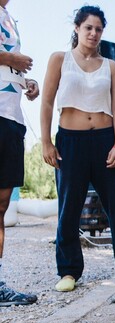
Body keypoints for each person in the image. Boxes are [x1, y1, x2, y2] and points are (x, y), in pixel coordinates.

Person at [41, 5, 115, 292]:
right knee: (69, 208)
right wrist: (45, 142)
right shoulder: (59, 60)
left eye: (98, 29)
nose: (93, 33)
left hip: (104, 141)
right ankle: (68, 272)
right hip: (70, 141)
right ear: (77, 28)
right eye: (88, 27)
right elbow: (48, 102)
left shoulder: (111, 66)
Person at [0, 0, 39, 306]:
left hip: (12, 120)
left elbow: (10, 70)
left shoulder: (11, 19)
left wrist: (28, 83)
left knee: (1, 205)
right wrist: (11, 57)